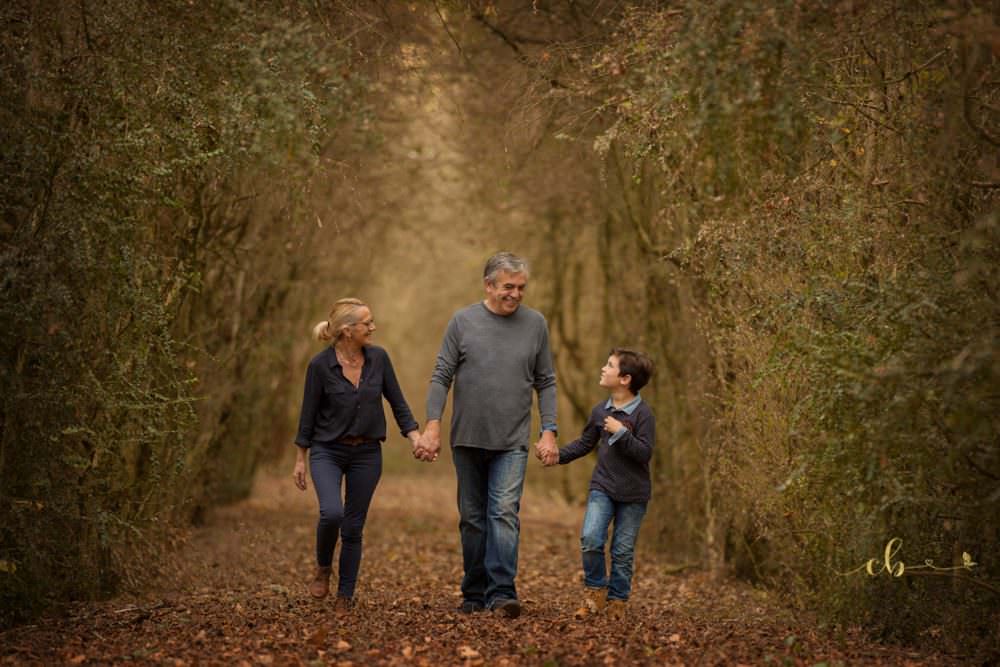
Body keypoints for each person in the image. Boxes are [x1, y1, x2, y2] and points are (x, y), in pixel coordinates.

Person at [414, 252, 559, 618]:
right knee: (473, 518)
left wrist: (549, 431)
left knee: (504, 513)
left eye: (521, 287)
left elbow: (546, 382)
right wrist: (433, 423)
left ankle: (502, 593)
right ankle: (474, 592)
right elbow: (441, 374)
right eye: (508, 287)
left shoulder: (536, 324)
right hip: (467, 438)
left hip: (512, 441)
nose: (515, 294)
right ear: (489, 285)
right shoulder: (462, 322)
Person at [292, 298, 422, 608]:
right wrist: (300, 458)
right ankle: (324, 567)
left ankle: (345, 596)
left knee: (353, 526)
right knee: (331, 513)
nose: (373, 328)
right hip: (327, 451)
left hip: (366, 453)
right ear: (348, 330)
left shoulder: (379, 359)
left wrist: (415, 437)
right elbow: (307, 415)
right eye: (368, 323)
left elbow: (398, 403)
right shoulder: (320, 366)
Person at [544, 348, 655, 621]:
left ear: (625, 379)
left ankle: (618, 601)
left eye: (609, 366)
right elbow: (585, 444)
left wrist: (621, 433)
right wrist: (558, 455)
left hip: (634, 493)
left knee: (622, 551)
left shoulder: (643, 415)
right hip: (602, 486)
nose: (603, 369)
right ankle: (595, 592)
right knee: (591, 538)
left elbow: (644, 453)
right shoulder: (599, 411)